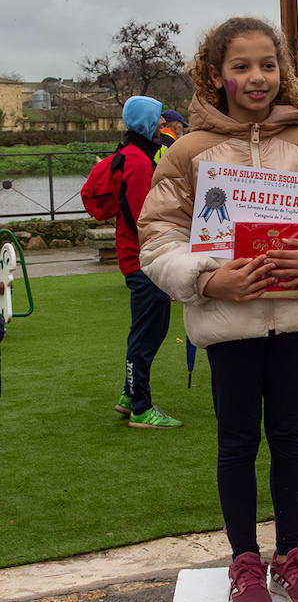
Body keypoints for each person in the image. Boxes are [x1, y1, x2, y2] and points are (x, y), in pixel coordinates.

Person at [138, 16, 298, 602]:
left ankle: (292, 556)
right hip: (228, 326)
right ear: (216, 75)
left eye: (268, 64)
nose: (257, 77)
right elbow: (156, 237)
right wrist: (208, 278)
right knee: (237, 442)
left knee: (290, 438)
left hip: (294, 319)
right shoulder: (188, 152)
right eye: (241, 66)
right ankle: (244, 561)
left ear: (281, 70)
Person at [113, 95, 183, 429]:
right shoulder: (138, 161)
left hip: (139, 257)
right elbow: (145, 217)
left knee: (146, 329)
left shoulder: (133, 154)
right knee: (148, 333)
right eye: (157, 118)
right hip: (144, 260)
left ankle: (130, 395)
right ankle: (141, 407)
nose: (162, 123)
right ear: (145, 122)